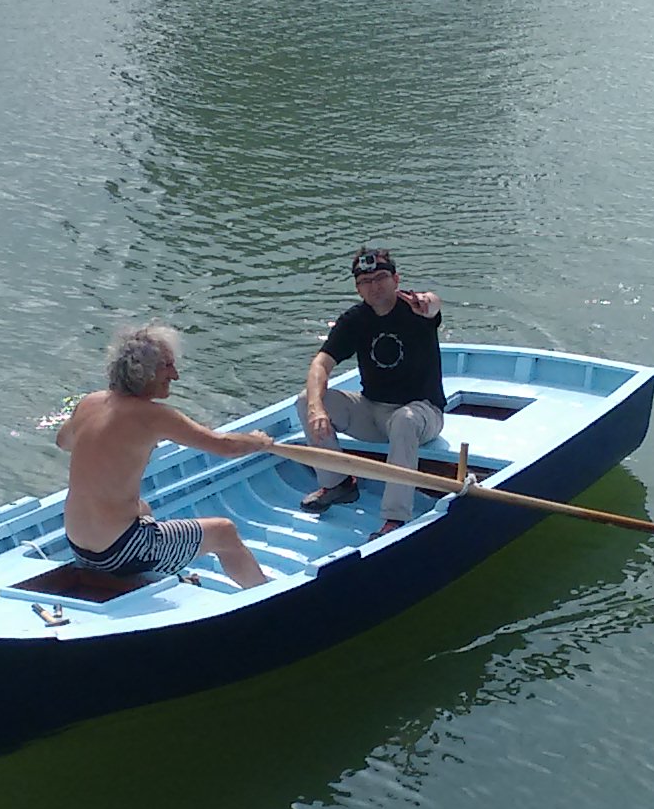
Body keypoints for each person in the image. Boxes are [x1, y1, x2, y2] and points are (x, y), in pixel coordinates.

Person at [54, 324, 271, 589]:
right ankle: (266, 593)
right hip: (117, 553)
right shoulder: (154, 417)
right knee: (223, 531)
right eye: (167, 366)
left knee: (142, 508)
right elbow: (225, 446)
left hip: (78, 543)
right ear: (142, 373)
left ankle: (161, 574)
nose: (175, 375)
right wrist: (258, 441)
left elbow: (63, 442)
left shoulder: (90, 402)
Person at [301, 246, 447, 533]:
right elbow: (320, 364)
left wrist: (430, 303)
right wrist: (316, 408)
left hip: (422, 412)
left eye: (381, 277)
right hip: (372, 410)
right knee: (307, 400)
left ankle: (395, 516)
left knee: (405, 420)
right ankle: (337, 484)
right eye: (366, 282)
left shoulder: (415, 309)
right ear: (358, 288)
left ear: (396, 279)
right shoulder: (355, 320)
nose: (375, 286)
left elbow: (434, 304)